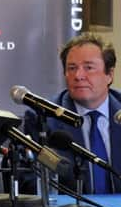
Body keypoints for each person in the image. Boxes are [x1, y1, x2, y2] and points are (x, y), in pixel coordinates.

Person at [23, 32, 121, 194]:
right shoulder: (43, 117)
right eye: (72, 68)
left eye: (88, 68)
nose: (78, 76)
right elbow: (31, 179)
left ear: (109, 75)